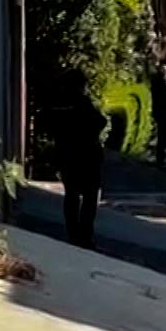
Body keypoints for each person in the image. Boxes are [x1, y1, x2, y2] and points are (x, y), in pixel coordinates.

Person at [52, 71, 107, 249]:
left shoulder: (59, 104)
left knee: (72, 195)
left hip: (67, 154)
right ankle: (85, 236)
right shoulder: (83, 103)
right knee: (90, 197)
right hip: (87, 155)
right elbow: (100, 122)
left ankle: (73, 233)